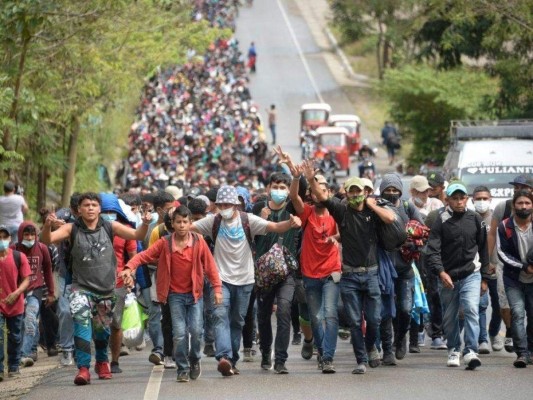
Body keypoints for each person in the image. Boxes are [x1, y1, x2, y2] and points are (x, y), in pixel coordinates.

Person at [41, 192, 152, 386]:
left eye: (94, 205)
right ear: (79, 210)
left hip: (106, 289)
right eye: (86, 205)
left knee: (102, 332)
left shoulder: (111, 226)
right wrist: (47, 226)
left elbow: (137, 235)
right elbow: (46, 241)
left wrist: (145, 223)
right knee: (82, 324)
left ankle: (102, 362)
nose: (90, 208)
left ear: (99, 209)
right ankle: (83, 369)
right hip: (80, 288)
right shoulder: (71, 228)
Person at [191, 185, 301, 376]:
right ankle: (224, 357)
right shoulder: (212, 222)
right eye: (221, 204)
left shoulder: (247, 220)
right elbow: (187, 227)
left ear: (235, 205)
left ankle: (232, 361)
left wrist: (290, 223)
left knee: (237, 321)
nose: (224, 207)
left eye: (227, 204)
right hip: (220, 280)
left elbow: (274, 227)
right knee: (219, 316)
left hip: (245, 280)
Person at [304, 163, 396, 375]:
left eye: (359, 191)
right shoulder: (342, 211)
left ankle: (371, 345)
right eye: (351, 191)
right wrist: (310, 180)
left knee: (374, 319)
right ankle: (361, 360)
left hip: (371, 273)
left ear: (365, 192)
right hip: (349, 276)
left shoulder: (374, 212)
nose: (355, 194)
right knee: (355, 322)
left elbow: (390, 218)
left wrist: (371, 205)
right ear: (346, 193)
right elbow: (322, 196)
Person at [123, 206, 223, 382]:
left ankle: (195, 360)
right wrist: (129, 267)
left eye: (185, 222)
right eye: (178, 222)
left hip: (195, 295)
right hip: (174, 295)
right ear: (173, 224)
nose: (182, 225)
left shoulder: (199, 242)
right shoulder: (165, 243)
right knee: (179, 333)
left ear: (190, 223)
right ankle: (182, 368)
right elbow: (143, 256)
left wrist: (217, 289)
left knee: (196, 330)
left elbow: (211, 267)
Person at [426, 182, 491, 370]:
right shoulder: (441, 220)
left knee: (471, 309)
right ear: (447, 200)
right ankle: (454, 349)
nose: (459, 202)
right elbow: (433, 250)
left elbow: (483, 249)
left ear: (467, 199)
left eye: (462, 198)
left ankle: (470, 351)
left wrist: (485, 277)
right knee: (450, 316)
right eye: (455, 198)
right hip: (447, 277)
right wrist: (441, 272)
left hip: (472, 273)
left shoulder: (476, 219)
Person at [288, 165, 341, 373]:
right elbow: (293, 196)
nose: (319, 194)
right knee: (316, 317)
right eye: (315, 190)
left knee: (330, 315)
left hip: (331, 272)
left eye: (323, 190)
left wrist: (334, 238)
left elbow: (346, 233)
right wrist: (296, 176)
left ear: (329, 193)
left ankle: (327, 357)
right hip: (310, 274)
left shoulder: (337, 212)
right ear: (310, 194)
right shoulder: (307, 213)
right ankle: (321, 350)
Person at [254, 172, 301, 374]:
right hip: (263, 273)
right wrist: (259, 221)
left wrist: (297, 175)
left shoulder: (292, 209)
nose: (279, 191)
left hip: (287, 272)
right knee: (263, 316)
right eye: (276, 187)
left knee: (283, 310)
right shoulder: (258, 209)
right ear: (268, 189)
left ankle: (280, 359)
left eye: (283, 187)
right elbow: (247, 233)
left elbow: (299, 197)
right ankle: (266, 351)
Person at [378, 174, 424, 365]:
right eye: (387, 190)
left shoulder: (407, 207)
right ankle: (387, 350)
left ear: (400, 191)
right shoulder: (377, 208)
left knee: (405, 309)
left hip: (405, 268)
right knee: (386, 312)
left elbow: (422, 229)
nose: (391, 193)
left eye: (394, 190)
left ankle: (400, 339)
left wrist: (416, 244)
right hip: (384, 269)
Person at [488, 174, 533, 353]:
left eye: (522, 187)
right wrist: (488, 261)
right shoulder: (503, 209)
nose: (518, 190)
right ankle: (515, 341)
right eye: (515, 187)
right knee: (510, 308)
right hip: (507, 268)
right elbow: (492, 235)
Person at [100, 193, 138, 374]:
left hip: (118, 283)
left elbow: (133, 258)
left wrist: (131, 276)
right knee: (99, 324)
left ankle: (114, 361)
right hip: (94, 283)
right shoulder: (87, 230)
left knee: (115, 323)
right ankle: (101, 360)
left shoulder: (124, 230)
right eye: (105, 211)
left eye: (111, 211)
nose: (108, 214)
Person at [497, 190, 533, 368]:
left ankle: (531, 351)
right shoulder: (505, 227)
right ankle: (522, 353)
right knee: (517, 313)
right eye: (520, 203)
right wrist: (524, 266)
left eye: (527, 203)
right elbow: (502, 253)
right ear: (514, 206)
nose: (524, 206)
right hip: (514, 279)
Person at [13, 222, 55, 368]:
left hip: (35, 290)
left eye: (32, 235)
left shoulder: (42, 248)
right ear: (20, 235)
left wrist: (51, 292)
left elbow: (48, 270)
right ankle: (31, 350)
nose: (30, 238)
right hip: (17, 292)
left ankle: (22, 355)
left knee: (30, 318)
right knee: (23, 322)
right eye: (26, 235)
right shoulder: (14, 249)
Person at [471, 186, 502, 354]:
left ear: (490, 200)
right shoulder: (470, 218)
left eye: (485, 198)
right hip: (476, 269)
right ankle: (482, 339)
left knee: (499, 306)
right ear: (472, 200)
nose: (481, 202)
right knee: (481, 305)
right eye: (478, 198)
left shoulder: (497, 218)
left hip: (496, 268)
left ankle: (493, 333)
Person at [0, 225, 31, 379]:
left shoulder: (19, 257)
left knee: (15, 336)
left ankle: (13, 365)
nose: (1, 240)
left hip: (15, 302)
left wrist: (18, 292)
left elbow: (27, 278)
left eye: (4, 237)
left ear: (10, 239)